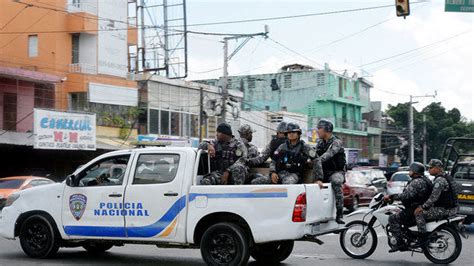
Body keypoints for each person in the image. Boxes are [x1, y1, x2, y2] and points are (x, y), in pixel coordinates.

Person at [384, 162, 433, 252]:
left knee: (392, 218)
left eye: (410, 170)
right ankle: (408, 236)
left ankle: (400, 244)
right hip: (420, 206)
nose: (409, 172)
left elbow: (406, 195)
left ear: (415, 171)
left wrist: (392, 197)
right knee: (401, 215)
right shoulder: (424, 179)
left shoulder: (417, 181)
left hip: (416, 208)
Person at [414, 159, 459, 237]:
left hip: (445, 210)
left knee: (419, 213)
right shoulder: (448, 177)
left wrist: (422, 207)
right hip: (453, 208)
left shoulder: (439, 180)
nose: (428, 170)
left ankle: (422, 238)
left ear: (437, 168)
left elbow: (433, 198)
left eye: (430, 168)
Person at [313, 119, 346, 224]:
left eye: (319, 128)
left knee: (336, 181)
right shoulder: (319, 142)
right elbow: (314, 152)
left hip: (336, 172)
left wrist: (316, 160)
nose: (317, 131)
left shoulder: (337, 142)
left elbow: (328, 155)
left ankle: (340, 214)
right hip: (323, 172)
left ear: (327, 130)